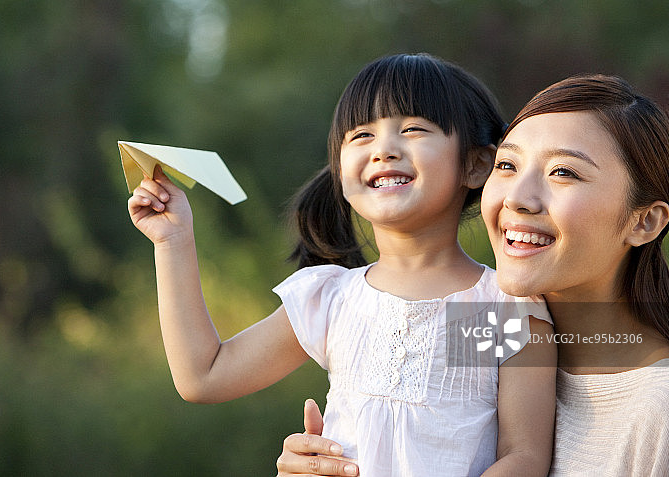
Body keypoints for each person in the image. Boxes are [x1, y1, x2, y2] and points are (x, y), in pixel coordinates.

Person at [129, 53, 556, 476]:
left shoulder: (500, 308)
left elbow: (524, 456)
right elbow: (205, 376)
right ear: (340, 168)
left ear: (477, 163)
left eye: (412, 129)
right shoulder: (331, 298)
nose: (384, 150)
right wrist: (173, 242)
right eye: (361, 136)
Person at [276, 74, 669, 476]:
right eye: (508, 165)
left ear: (645, 222)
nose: (517, 196)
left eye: (563, 172)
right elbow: (413, 418)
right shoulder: (486, 326)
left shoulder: (657, 413)